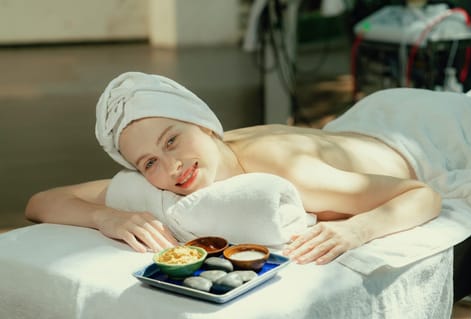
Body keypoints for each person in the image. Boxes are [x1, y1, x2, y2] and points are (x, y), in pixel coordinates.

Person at [25, 72, 442, 265]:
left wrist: (357, 229)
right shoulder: (170, 171)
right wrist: (107, 217)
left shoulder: (287, 172)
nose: (172, 167)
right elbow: (41, 202)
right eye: (148, 162)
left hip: (417, 128)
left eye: (172, 139)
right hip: (347, 131)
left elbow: (421, 194)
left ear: (206, 125)